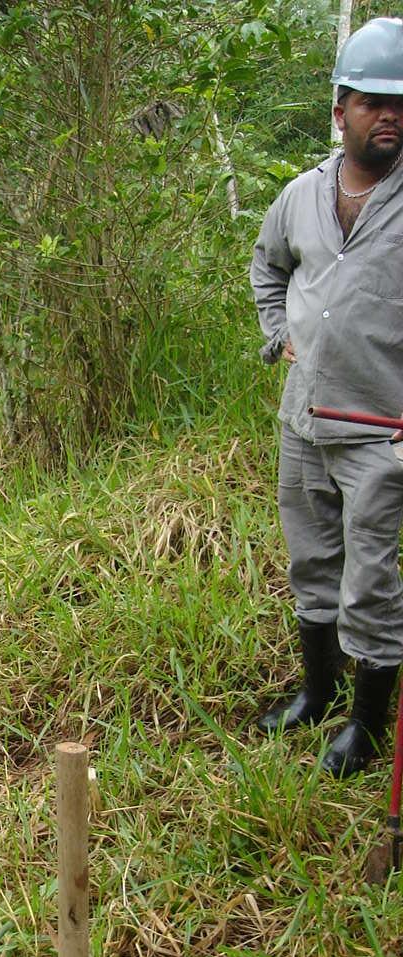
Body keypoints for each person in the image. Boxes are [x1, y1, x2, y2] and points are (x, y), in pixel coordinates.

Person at [250, 15, 403, 778]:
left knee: (368, 580)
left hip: (382, 431)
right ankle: (317, 693)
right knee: (311, 564)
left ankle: (367, 726)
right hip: (302, 420)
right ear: (340, 108)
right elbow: (268, 266)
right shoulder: (300, 196)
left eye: (401, 104)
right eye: (374, 102)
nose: (390, 116)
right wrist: (278, 332)